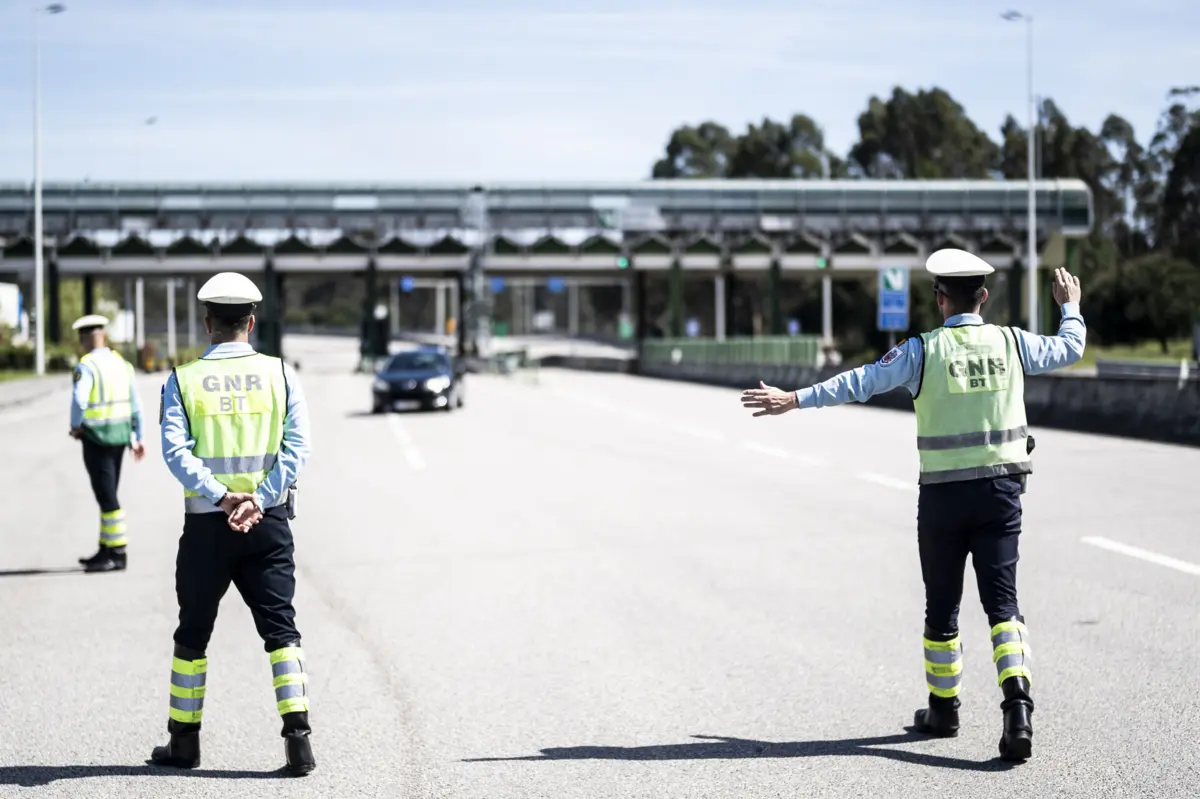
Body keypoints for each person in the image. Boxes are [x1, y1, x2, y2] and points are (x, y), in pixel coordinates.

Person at [740, 249, 1086, 762]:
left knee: (942, 606)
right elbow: (1070, 347)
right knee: (1003, 606)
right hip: (1001, 496)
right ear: (983, 297)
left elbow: (859, 381)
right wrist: (1069, 305)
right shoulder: (1013, 343)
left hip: (943, 499)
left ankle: (944, 710)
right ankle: (1018, 713)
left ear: (940, 298)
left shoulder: (922, 351)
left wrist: (794, 398)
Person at [151, 272, 316, 776]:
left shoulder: (182, 380)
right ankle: (299, 742)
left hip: (207, 526)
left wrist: (222, 498)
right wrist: (259, 500)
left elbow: (175, 453)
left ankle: (184, 744)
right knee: (281, 631)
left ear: (208, 323)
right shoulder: (280, 374)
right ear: (251, 321)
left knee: (193, 633)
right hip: (267, 525)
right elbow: (297, 449)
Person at [70, 314, 145, 573]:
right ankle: (105, 548)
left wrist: (75, 425)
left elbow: (79, 400)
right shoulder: (122, 363)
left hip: (96, 438)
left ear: (84, 338)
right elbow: (136, 404)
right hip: (120, 436)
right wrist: (138, 436)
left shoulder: (87, 365)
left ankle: (118, 553)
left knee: (107, 497)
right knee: (108, 492)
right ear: (103, 336)